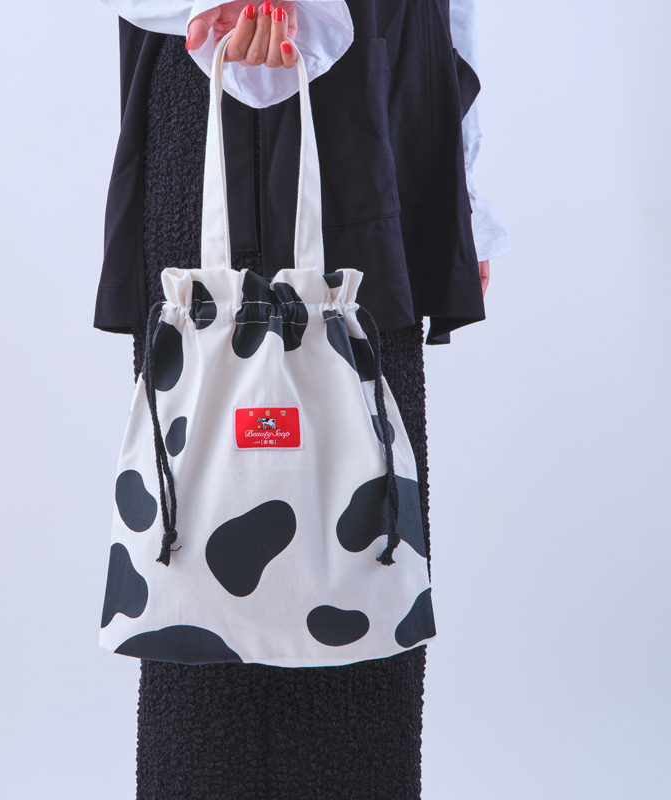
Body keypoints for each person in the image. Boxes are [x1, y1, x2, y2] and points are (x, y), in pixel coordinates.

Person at [94, 1, 508, 797]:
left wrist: (463, 177)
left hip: (383, 93)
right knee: (202, 524)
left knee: (361, 514)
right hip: (211, 75)